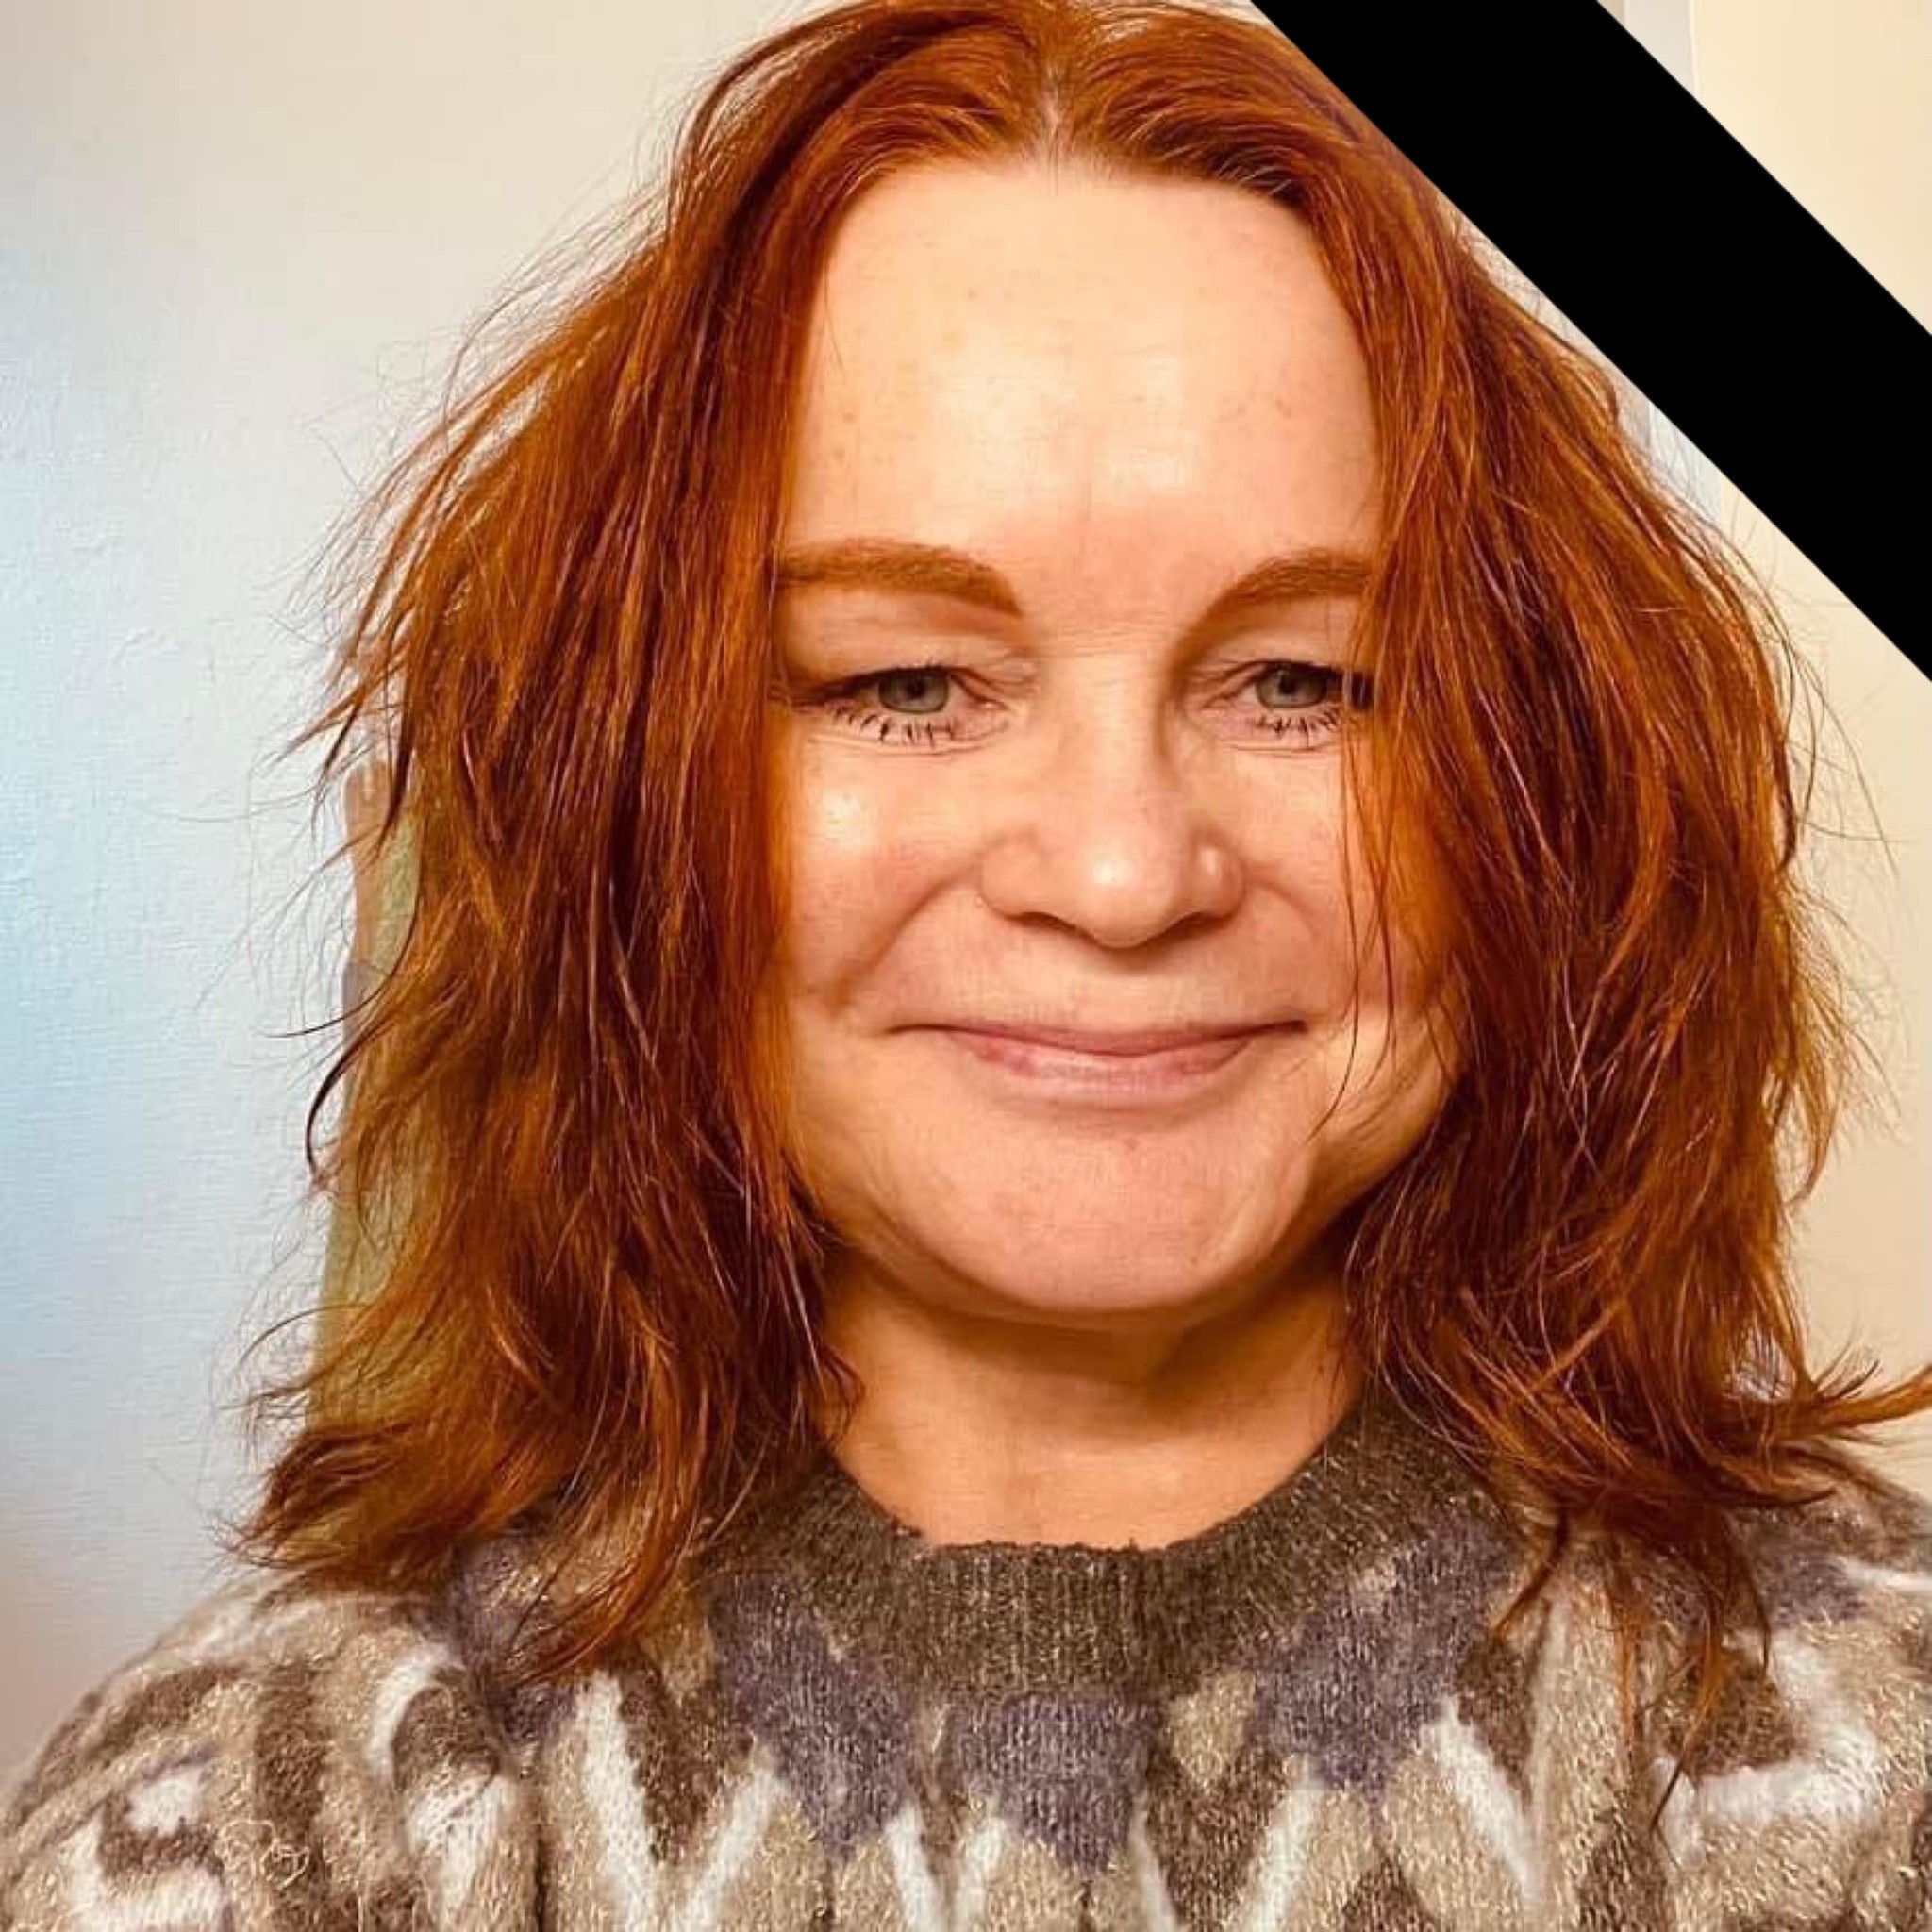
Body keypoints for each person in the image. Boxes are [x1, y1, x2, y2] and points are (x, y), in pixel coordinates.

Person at [5, 1, 1930, 1925]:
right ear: (626, 811)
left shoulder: (1871, 1748)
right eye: (905, 683)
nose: (1121, 873)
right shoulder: (261, 1824)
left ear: (1546, 795)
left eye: (1303, 682)